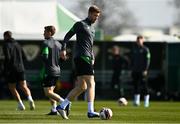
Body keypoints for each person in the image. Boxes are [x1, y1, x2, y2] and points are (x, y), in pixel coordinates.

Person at [56, 5, 101, 119]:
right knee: (92, 83)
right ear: (90, 13)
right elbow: (67, 36)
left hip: (86, 57)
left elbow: (90, 46)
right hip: (82, 57)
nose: (96, 18)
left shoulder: (93, 29)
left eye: (98, 16)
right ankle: (90, 111)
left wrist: (92, 56)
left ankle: (62, 106)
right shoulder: (80, 24)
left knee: (82, 87)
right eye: (95, 15)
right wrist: (63, 49)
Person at [2, 31, 35, 110]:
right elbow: (24, 57)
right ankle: (30, 99)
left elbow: (8, 58)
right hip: (21, 68)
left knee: (12, 87)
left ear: (6, 36)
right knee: (24, 86)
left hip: (11, 69)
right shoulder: (18, 45)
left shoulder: (6, 45)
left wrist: (5, 69)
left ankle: (21, 104)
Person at [41, 26, 67, 115]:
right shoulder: (58, 44)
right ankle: (54, 110)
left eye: (45, 31)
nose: (43, 33)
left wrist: (42, 57)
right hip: (57, 71)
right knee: (51, 92)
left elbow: (45, 57)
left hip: (49, 70)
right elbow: (63, 59)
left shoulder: (45, 43)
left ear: (49, 32)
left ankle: (65, 103)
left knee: (47, 92)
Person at [131, 35, 151, 107]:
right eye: (138, 41)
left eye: (140, 40)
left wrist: (145, 69)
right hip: (135, 70)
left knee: (144, 86)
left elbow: (148, 60)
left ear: (142, 41)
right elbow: (132, 60)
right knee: (136, 85)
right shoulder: (135, 49)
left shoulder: (146, 49)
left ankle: (146, 102)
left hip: (143, 71)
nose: (139, 42)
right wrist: (132, 68)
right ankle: (137, 101)